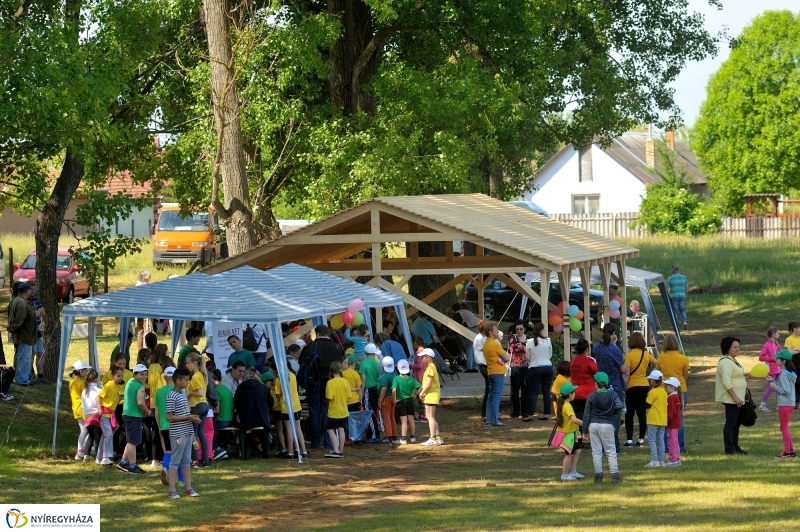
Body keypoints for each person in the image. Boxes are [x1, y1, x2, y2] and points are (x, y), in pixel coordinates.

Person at [299, 324, 344, 449]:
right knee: (326, 411)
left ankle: (315, 441)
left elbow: (302, 362)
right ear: (327, 333)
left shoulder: (310, 347)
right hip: (329, 383)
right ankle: (328, 441)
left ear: (317, 334)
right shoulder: (335, 347)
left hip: (313, 383)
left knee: (314, 411)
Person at [166, 367, 202, 498]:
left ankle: (189, 488)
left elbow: (184, 413)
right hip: (178, 434)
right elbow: (169, 417)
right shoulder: (171, 396)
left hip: (187, 432)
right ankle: (172, 490)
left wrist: (192, 418)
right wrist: (188, 417)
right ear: (177, 380)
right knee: (175, 461)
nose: (188, 382)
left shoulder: (182, 394)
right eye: (186, 380)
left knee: (186, 461)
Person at [583, 372, 623, 483]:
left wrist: (585, 430)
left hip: (593, 424)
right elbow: (619, 405)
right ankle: (614, 475)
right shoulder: (612, 394)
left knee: (596, 451)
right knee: (610, 451)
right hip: (607, 424)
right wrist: (613, 413)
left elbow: (586, 415)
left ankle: (598, 476)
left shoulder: (591, 396)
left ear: (596, 383)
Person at [592, 323, 627, 451]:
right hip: (615, 386)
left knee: (603, 418)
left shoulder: (597, 348)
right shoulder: (614, 349)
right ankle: (614, 447)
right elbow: (623, 368)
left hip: (602, 386)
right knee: (615, 419)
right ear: (613, 334)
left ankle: (602, 446)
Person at [656, 334, 690, 454]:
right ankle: (680, 446)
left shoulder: (660, 357)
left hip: (665, 389)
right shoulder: (683, 358)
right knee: (679, 418)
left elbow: (658, 374)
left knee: (665, 418)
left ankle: (666, 447)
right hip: (681, 389)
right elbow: (685, 376)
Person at [623, 332, 657, 447]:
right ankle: (641, 439)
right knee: (642, 413)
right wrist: (652, 374)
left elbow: (627, 373)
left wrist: (624, 386)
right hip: (644, 385)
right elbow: (656, 363)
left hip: (632, 386)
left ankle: (629, 440)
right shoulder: (646, 354)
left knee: (630, 414)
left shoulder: (629, 356)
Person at [715, 336, 747, 455]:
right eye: (735, 347)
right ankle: (729, 449)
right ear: (727, 348)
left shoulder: (732, 360)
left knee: (736, 423)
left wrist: (743, 377)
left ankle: (735, 447)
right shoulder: (726, 362)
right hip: (732, 399)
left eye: (738, 346)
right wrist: (735, 398)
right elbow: (726, 381)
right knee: (731, 423)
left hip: (738, 398)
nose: (738, 349)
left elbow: (734, 375)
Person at [118, 363, 151, 474]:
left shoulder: (130, 382)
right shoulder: (139, 386)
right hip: (134, 416)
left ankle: (123, 461)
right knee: (133, 442)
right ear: (135, 374)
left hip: (127, 414)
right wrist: (147, 411)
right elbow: (141, 402)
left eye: (145, 374)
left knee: (130, 440)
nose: (144, 376)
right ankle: (132, 466)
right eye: (141, 374)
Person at [233, 370, 272, 458]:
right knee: (264, 432)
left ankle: (245, 452)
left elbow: (236, 402)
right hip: (261, 419)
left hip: (246, 420)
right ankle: (267, 453)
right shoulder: (262, 387)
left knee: (244, 432)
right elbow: (271, 402)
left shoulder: (240, 388)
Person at [273, 361, 308, 459]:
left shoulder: (279, 378)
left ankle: (291, 452)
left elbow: (278, 394)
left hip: (286, 406)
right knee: (298, 428)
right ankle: (303, 451)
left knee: (288, 429)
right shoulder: (293, 375)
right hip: (296, 405)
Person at [767, 350, 797, 459]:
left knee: (784, 427)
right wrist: (773, 381)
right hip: (790, 403)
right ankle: (791, 451)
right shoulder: (789, 373)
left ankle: (788, 451)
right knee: (784, 427)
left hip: (785, 404)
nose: (776, 359)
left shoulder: (784, 374)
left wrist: (775, 387)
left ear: (783, 361)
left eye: (778, 358)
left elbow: (786, 391)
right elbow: (785, 387)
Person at [8, 282, 39, 386]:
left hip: (27, 335)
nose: (31, 291)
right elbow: (19, 320)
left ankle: (24, 379)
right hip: (24, 335)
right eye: (30, 290)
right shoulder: (21, 303)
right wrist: (12, 328)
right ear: (26, 291)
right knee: (23, 358)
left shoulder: (21, 301)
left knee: (25, 358)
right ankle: (21, 380)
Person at [185, 352, 211, 467]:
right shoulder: (202, 374)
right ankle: (205, 459)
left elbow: (200, 393)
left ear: (194, 363)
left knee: (193, 433)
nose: (186, 366)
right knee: (201, 433)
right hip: (205, 406)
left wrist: (190, 392)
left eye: (188, 363)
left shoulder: (196, 376)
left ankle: (195, 459)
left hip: (197, 406)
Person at [482, 321, 510, 427]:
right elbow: (507, 358)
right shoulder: (495, 344)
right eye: (496, 330)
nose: (498, 332)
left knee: (491, 396)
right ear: (490, 332)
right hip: (498, 372)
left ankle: (489, 419)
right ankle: (495, 419)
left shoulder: (486, 344)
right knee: (496, 396)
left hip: (490, 371)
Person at [96, 367, 125, 466]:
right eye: (118, 376)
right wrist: (99, 409)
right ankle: (106, 457)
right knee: (108, 434)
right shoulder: (108, 386)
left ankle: (99, 457)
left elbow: (114, 400)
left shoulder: (117, 387)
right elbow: (98, 397)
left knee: (105, 435)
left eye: (121, 376)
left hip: (110, 415)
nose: (120, 378)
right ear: (112, 376)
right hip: (104, 414)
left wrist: (121, 397)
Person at [524, 323, 553, 422]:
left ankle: (530, 414)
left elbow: (528, 356)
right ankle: (546, 413)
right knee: (546, 391)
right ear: (541, 331)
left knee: (533, 392)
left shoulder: (529, 342)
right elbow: (550, 354)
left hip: (535, 367)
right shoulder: (547, 341)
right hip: (547, 366)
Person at [555, 383, 584, 481]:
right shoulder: (567, 406)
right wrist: (586, 424)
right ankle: (564, 474)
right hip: (568, 434)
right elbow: (574, 419)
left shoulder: (564, 404)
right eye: (574, 392)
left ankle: (572, 471)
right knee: (569, 454)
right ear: (570, 395)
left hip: (573, 432)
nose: (575, 394)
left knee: (577, 450)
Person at [569, 339, 597, 435]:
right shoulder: (589, 361)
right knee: (591, 415)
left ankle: (580, 437)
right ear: (586, 349)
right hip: (588, 393)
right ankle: (591, 436)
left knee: (579, 415)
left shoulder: (573, 361)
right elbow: (597, 373)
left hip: (576, 393)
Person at [155, 365, 176, 485]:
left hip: (164, 425)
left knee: (168, 450)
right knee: (178, 453)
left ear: (164, 377)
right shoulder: (179, 390)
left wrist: (159, 426)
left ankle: (165, 467)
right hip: (177, 425)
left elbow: (156, 411)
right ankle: (181, 479)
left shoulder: (159, 392)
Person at [325, 361, 350, 458]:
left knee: (330, 429)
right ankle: (340, 450)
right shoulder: (345, 381)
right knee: (341, 429)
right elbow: (348, 395)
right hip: (343, 409)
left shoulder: (330, 382)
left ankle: (336, 450)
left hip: (334, 410)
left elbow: (329, 397)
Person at [418, 348, 442, 446]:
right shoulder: (432, 367)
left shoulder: (430, 368)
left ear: (428, 357)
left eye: (423, 357)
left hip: (431, 395)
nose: (421, 359)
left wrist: (421, 393)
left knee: (429, 416)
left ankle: (433, 438)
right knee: (431, 416)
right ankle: (437, 437)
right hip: (432, 394)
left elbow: (428, 384)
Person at [392, 359, 419, 444]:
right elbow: (420, 386)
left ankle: (403, 438)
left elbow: (393, 390)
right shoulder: (411, 379)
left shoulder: (396, 378)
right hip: (410, 400)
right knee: (411, 419)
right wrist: (415, 394)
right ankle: (412, 437)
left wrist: (394, 400)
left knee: (404, 420)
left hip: (401, 401)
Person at [644, 370, 667, 468]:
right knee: (661, 440)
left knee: (652, 440)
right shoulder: (664, 391)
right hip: (662, 420)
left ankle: (654, 460)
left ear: (653, 381)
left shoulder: (652, 392)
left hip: (653, 419)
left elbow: (647, 405)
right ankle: (661, 460)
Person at [359, 343, 382, 440]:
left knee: (369, 412)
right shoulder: (377, 363)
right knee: (373, 410)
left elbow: (363, 379)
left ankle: (373, 435)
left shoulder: (363, 363)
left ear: (366, 353)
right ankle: (371, 433)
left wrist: (362, 391)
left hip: (368, 389)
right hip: (375, 388)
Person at [507, 320, 529, 419]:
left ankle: (525, 411)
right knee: (515, 389)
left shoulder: (529, 338)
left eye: (521, 329)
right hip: (515, 366)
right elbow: (514, 348)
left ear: (525, 329)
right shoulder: (513, 337)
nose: (519, 331)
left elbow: (531, 348)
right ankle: (514, 411)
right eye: (517, 329)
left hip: (526, 366)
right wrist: (525, 347)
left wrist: (522, 347)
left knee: (526, 389)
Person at [69, 360, 90, 460]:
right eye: (85, 371)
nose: (86, 373)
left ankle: (81, 451)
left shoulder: (72, 382)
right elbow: (87, 395)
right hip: (82, 408)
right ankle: (81, 451)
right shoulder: (81, 383)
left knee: (84, 430)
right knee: (86, 431)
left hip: (76, 408)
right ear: (81, 371)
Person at [81, 369, 102, 464]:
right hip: (96, 416)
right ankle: (98, 457)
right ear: (96, 379)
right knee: (98, 437)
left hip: (86, 416)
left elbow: (83, 405)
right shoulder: (99, 391)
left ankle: (86, 455)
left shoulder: (84, 391)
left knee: (90, 436)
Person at [451, 302, 480, 372]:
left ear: (453, 309)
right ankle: (475, 367)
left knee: (469, 348)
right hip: (478, 326)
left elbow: (457, 325)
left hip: (471, 327)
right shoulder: (467, 312)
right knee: (474, 347)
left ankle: (469, 367)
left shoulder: (457, 314)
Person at [759, 326, 782, 412]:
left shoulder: (777, 344)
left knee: (779, 387)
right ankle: (762, 405)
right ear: (773, 333)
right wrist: (772, 359)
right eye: (778, 333)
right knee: (771, 387)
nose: (779, 334)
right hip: (771, 370)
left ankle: (779, 405)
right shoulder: (767, 345)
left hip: (779, 369)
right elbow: (761, 357)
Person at [377, 356, 398, 443]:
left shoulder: (385, 376)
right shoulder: (394, 375)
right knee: (392, 416)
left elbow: (384, 389)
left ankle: (389, 435)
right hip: (393, 398)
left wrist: (380, 400)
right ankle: (394, 435)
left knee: (386, 417)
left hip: (386, 398)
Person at [664, 377, 683, 466]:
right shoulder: (676, 397)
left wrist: (666, 421)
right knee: (675, 441)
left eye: (666, 387)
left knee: (671, 442)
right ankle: (677, 458)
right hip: (676, 423)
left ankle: (673, 459)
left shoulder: (671, 398)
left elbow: (671, 412)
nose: (665, 388)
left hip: (672, 424)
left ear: (672, 387)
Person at [29, 286, 46, 383]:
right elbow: (33, 314)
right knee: (32, 353)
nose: (34, 292)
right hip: (31, 330)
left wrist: (38, 312)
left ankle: (40, 376)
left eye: (35, 290)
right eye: (32, 290)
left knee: (41, 353)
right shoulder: (26, 301)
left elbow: (42, 311)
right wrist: (37, 312)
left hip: (39, 329)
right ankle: (30, 374)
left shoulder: (35, 299)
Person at [473, 322, 489, 422]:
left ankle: (487, 412)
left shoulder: (481, 338)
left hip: (484, 364)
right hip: (484, 365)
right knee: (489, 390)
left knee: (489, 389)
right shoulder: (481, 339)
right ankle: (485, 413)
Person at [784, 321, 800, 408]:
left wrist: (796, 350)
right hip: (793, 364)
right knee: (795, 382)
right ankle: (795, 401)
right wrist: (797, 350)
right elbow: (789, 352)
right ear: (795, 329)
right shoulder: (789, 339)